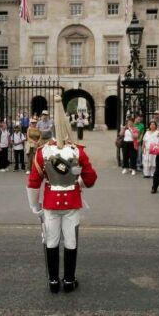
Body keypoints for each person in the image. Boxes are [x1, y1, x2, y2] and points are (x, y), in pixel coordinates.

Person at [26, 95, 98, 293]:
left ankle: (53, 281)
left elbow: (33, 182)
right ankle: (68, 280)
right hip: (72, 202)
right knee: (71, 241)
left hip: (50, 203)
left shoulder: (42, 152)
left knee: (51, 241)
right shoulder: (78, 151)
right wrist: (79, 182)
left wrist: (35, 206)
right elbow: (91, 178)